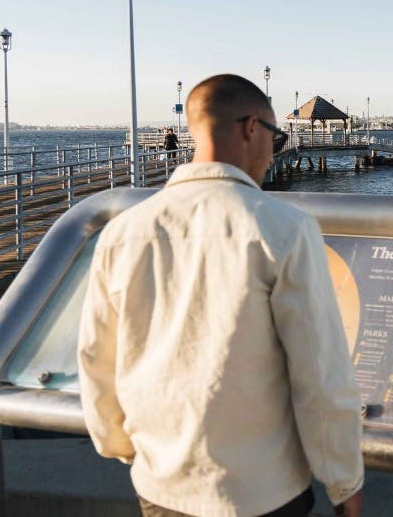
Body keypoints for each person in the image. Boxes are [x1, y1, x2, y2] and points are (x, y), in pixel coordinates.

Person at [78, 74, 364, 517]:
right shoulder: (284, 229)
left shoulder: (122, 231)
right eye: (277, 136)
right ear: (252, 127)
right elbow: (320, 372)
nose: (276, 150)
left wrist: (121, 446)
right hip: (264, 490)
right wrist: (344, 481)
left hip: (161, 484)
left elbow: (96, 357)